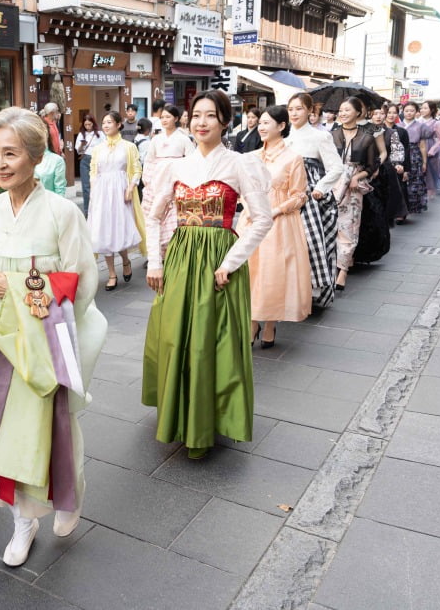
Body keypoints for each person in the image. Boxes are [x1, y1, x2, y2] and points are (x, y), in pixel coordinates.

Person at [0, 106, 106, 567]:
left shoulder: (62, 213)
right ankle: (21, 520)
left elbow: (83, 279)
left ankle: (70, 495)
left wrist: (23, 284)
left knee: (54, 427)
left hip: (45, 343)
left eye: (10, 153)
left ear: (35, 156)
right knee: (0, 432)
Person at [142, 90, 272, 458]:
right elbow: (154, 216)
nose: (201, 122)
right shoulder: (175, 166)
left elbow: (262, 219)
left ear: (225, 121)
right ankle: (180, 414)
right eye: (196, 115)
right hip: (181, 258)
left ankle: (209, 420)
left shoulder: (240, 164)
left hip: (219, 261)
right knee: (175, 337)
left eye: (210, 115)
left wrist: (231, 262)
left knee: (211, 342)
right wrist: (155, 261)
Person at [245, 106, 311, 349]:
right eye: (259, 122)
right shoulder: (251, 156)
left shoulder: (293, 158)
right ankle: (252, 321)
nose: (261, 127)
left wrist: (274, 211)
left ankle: (270, 322)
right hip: (252, 220)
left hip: (279, 222)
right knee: (251, 271)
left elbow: (299, 195)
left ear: (281, 126)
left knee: (272, 273)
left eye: (266, 123)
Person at [285, 92, 342, 308]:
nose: (294, 113)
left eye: (299, 108)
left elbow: (337, 167)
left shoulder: (320, 136)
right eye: (291, 109)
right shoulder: (284, 139)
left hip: (310, 198)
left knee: (311, 244)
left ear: (310, 111)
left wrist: (320, 188)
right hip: (286, 196)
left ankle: (312, 291)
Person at [88, 110, 145, 291]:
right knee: (103, 232)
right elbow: (93, 171)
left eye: (110, 122)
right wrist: (94, 192)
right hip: (101, 194)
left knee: (119, 229)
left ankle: (126, 261)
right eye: (104, 122)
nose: (106, 125)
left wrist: (131, 187)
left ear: (119, 124)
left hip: (121, 193)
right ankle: (112, 273)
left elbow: (137, 169)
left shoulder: (129, 147)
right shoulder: (97, 148)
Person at [332, 97, 380, 291]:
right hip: (333, 184)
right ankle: (334, 263)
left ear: (358, 113)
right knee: (332, 225)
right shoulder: (332, 134)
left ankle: (343, 269)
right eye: (340, 110)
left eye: (347, 110)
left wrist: (357, 176)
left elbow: (372, 165)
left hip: (353, 186)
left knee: (349, 226)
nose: (342, 113)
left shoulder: (366, 136)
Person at [142, 104, 195, 266]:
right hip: (156, 182)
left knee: (174, 218)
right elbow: (149, 161)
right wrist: (148, 182)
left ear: (176, 119)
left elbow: (192, 162)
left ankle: (174, 252)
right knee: (155, 217)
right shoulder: (156, 139)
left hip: (176, 183)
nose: (164, 120)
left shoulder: (184, 139)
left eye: (168, 117)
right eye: (162, 117)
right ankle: (157, 254)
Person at [384, 104, 412, 223]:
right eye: (389, 112)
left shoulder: (402, 131)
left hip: (398, 163)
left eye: (394, 113)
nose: (391, 115)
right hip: (383, 163)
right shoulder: (378, 130)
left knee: (400, 188)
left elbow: (406, 150)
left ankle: (400, 213)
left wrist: (406, 169)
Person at [399, 102, 429, 214]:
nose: (409, 113)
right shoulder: (398, 126)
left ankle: (414, 206)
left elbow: (422, 145)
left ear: (416, 112)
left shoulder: (420, 126)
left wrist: (425, 162)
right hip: (400, 154)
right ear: (403, 111)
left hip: (415, 154)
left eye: (412, 110)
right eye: (406, 110)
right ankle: (402, 207)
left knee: (415, 180)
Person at [75, 114, 104, 214]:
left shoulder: (99, 134)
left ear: (93, 123)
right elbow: (78, 151)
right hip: (85, 160)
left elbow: (104, 147)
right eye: (86, 124)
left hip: (97, 160)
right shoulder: (81, 134)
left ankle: (98, 209)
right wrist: (82, 145)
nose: (87, 126)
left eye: (89, 124)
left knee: (98, 185)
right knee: (86, 186)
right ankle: (87, 211)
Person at [420, 100, 440, 196]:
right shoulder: (417, 121)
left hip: (430, 146)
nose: (422, 110)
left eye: (425, 108)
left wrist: (432, 150)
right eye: (422, 108)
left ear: (432, 110)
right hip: (418, 146)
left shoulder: (436, 123)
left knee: (430, 172)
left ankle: (429, 192)